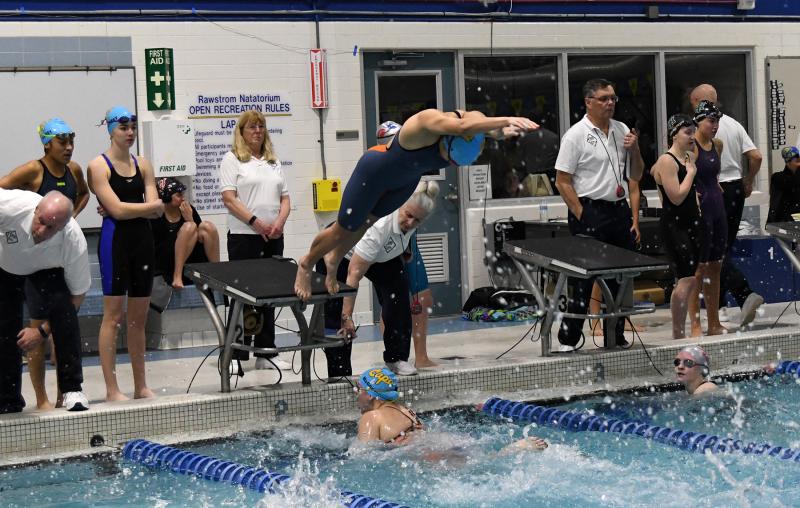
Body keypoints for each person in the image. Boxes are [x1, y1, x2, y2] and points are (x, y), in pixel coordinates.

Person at [294, 109, 539, 301]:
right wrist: (507, 117)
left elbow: (475, 127)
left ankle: (334, 259)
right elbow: (464, 125)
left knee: (363, 225)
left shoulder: (466, 129)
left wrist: (504, 130)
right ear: (448, 138)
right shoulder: (424, 122)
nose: (444, 160)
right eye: (446, 154)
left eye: (450, 162)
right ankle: (306, 263)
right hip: (376, 172)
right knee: (343, 228)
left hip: (406, 181)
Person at [0, 118, 90, 410]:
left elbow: (78, 298)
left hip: (44, 269)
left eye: (51, 228)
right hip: (5, 265)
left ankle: (72, 389)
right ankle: (8, 397)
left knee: (64, 310)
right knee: (4, 327)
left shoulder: (72, 238)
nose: (41, 231)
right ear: (35, 207)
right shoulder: (14, 204)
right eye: (40, 221)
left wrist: (41, 332)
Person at [554, 78, 644, 351]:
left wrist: (635, 148)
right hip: (590, 209)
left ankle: (614, 335)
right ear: (589, 102)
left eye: (613, 98)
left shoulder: (622, 130)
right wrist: (583, 215)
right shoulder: (575, 135)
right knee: (583, 278)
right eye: (604, 99)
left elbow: (636, 174)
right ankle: (569, 338)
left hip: (618, 210)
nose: (610, 103)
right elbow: (562, 181)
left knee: (621, 276)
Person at [323, 181, 440, 378]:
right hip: (339, 253)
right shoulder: (379, 226)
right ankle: (339, 373)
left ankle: (396, 358)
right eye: (408, 216)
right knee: (337, 316)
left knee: (398, 297)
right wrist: (347, 317)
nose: (411, 223)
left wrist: (406, 250)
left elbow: (408, 232)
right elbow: (354, 274)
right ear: (401, 206)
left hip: (381, 257)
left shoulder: (413, 216)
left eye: (417, 220)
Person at [88, 106, 164, 401]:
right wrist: (145, 208)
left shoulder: (143, 164)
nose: (130, 132)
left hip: (142, 242)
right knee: (113, 317)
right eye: (123, 127)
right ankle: (111, 389)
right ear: (110, 130)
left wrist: (128, 209)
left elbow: (151, 208)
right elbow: (121, 210)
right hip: (114, 242)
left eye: (132, 126)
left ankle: (141, 385)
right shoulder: (98, 166)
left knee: (138, 319)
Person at [219, 110, 291, 371]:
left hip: (272, 236)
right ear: (242, 131)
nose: (257, 131)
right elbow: (229, 199)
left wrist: (279, 223)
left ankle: (266, 350)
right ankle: (236, 354)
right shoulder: (233, 160)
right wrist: (255, 222)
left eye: (261, 126)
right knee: (243, 296)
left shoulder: (273, 161)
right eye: (252, 127)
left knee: (269, 294)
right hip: (244, 236)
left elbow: (285, 197)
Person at [690, 84, 764, 328]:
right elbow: (756, 156)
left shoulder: (698, 130)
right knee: (723, 249)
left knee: (714, 254)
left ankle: (744, 294)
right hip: (735, 189)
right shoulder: (733, 124)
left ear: (700, 102)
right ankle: (719, 307)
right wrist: (748, 180)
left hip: (713, 190)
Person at [356, 367, 549, 452]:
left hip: (422, 450)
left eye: (359, 389)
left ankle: (512, 450)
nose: (356, 393)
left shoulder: (371, 417)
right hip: (441, 441)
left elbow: (365, 456)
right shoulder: (404, 409)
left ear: (371, 395)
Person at [372, 120, 437, 368]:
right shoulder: (378, 174)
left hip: (408, 244)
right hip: (386, 247)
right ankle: (397, 354)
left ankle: (418, 355)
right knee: (393, 302)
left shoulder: (411, 172)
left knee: (422, 298)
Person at [651, 115, 705, 340]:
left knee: (691, 277)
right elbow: (675, 198)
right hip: (676, 227)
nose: (693, 136)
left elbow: (689, 194)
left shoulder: (688, 157)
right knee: (685, 278)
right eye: (687, 132)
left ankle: (679, 332)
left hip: (691, 224)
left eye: (693, 131)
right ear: (674, 134)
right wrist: (691, 175)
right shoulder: (667, 161)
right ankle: (677, 334)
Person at [688, 100, 727, 338]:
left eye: (717, 121)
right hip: (701, 212)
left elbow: (714, 177)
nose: (715, 126)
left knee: (716, 266)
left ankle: (713, 322)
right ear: (698, 121)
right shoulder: (691, 147)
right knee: (698, 270)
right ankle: (695, 325)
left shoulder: (718, 145)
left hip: (718, 209)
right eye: (711, 121)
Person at [151, 177, 220, 290]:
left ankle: (217, 274)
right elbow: (157, 247)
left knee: (208, 227)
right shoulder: (156, 215)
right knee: (190, 226)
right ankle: (177, 277)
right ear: (166, 197)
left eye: (182, 194)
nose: (183, 198)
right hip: (166, 262)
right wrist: (189, 224)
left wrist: (190, 218)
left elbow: (197, 237)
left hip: (190, 259)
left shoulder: (188, 209)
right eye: (178, 195)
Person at [766, 146, 800, 224]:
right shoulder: (778, 178)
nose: (798, 159)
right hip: (783, 221)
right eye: (796, 157)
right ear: (788, 162)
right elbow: (791, 183)